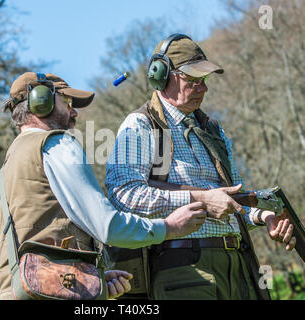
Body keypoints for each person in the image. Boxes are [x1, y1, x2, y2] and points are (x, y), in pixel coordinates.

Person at [105, 34, 296, 300]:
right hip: (183, 268)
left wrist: (266, 217)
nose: (203, 88)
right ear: (161, 76)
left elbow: (235, 198)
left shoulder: (213, 129)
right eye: (193, 80)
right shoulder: (140, 125)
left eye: (203, 80)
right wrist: (201, 200)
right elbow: (123, 195)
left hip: (239, 266)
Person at [0, 71, 208, 300]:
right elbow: (107, 226)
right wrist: (169, 227)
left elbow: (34, 252)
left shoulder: (5, 172)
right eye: (67, 102)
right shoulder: (57, 143)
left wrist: (90, 277)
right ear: (41, 100)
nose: (74, 112)